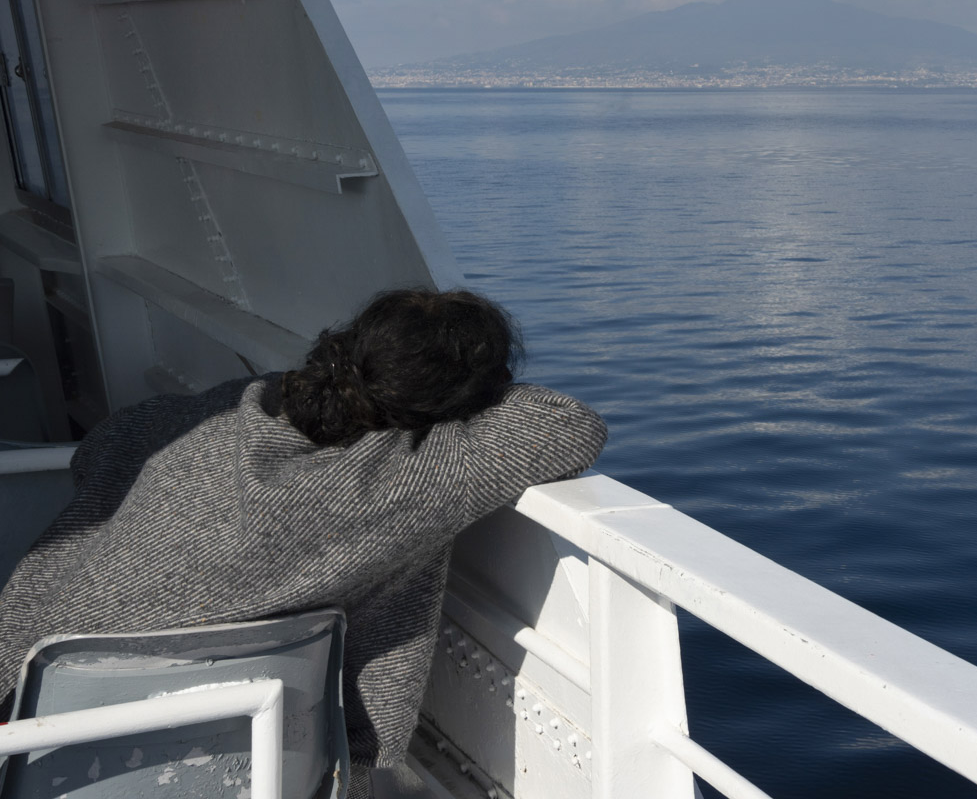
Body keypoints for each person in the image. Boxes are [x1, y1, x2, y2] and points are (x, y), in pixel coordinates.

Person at [0, 288, 606, 798]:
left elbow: (98, 449)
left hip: (30, 716)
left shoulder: (230, 409)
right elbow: (569, 423)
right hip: (244, 767)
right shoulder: (427, 475)